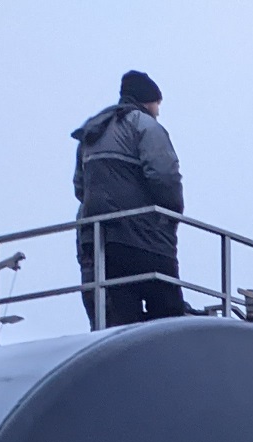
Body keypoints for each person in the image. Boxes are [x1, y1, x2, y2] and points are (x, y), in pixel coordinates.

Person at [71, 71, 185, 328]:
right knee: (168, 319)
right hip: (147, 241)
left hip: (103, 245)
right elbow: (165, 177)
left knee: (120, 324)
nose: (158, 111)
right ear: (148, 101)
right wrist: (171, 216)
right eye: (157, 104)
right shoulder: (146, 126)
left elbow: (80, 188)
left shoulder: (93, 131)